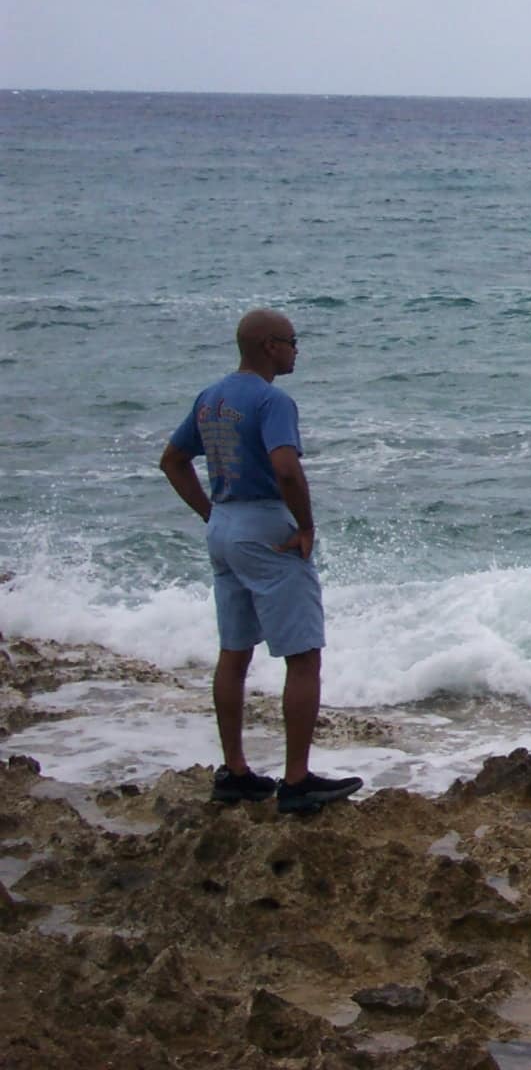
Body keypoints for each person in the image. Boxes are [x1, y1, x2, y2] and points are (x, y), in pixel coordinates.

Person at [160, 308, 363, 814]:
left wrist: (211, 513)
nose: (297, 349)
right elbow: (286, 468)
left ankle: (235, 772)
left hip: (224, 526)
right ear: (270, 346)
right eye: (292, 341)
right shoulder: (273, 401)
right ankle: (296, 782)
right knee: (303, 654)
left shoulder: (211, 398)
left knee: (234, 651)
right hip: (265, 529)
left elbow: (173, 460)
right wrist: (306, 527)